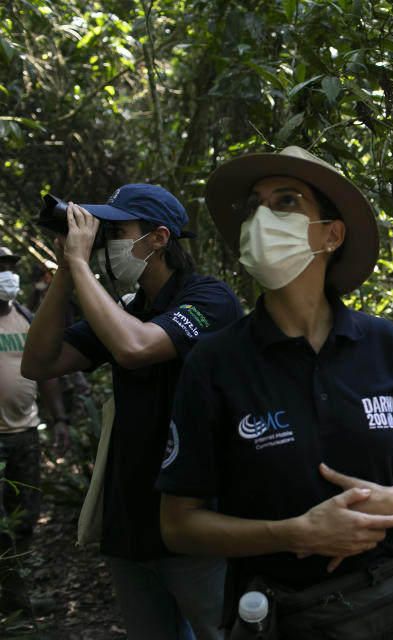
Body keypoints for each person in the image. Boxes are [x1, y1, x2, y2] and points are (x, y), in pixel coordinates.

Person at [156, 145, 393, 638]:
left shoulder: (384, 344)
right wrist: (294, 533)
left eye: (286, 201)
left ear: (332, 235)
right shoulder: (216, 361)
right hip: (279, 615)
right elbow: (178, 525)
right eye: (254, 205)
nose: (261, 216)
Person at [20, 184, 243, 639]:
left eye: (116, 230)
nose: (106, 242)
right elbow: (39, 363)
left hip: (200, 526)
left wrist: (81, 263)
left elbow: (135, 347)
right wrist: (67, 269)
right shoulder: (126, 309)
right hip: (131, 527)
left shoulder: (210, 299)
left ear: (158, 239)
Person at [0, 246, 69, 617]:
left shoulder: (27, 318)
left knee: (24, 518)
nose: (6, 274)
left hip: (24, 435)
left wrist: (59, 419)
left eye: (10, 267)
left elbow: (47, 372)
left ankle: (15, 598)